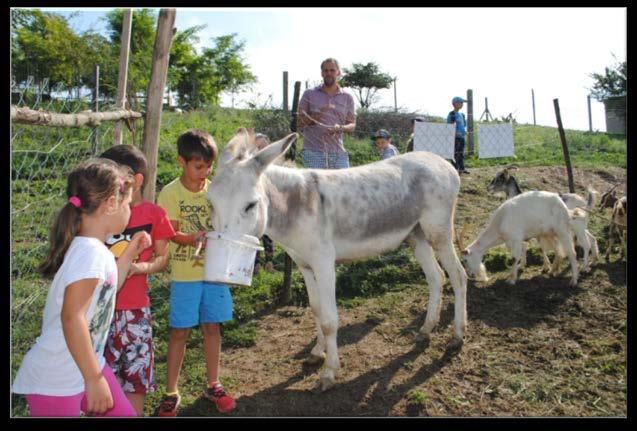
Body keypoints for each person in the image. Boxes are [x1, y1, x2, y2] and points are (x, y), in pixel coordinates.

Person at [11, 158, 151, 417]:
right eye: (127, 204)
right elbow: (71, 316)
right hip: (58, 378)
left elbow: (108, 290)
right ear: (111, 205)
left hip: (85, 364)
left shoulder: (95, 249)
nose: (130, 211)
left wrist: (131, 252)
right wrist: (94, 378)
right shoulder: (90, 255)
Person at [156, 129, 235, 416]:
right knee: (179, 332)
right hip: (186, 275)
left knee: (212, 327)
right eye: (198, 166)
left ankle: (213, 383)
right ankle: (170, 392)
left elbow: (224, 224)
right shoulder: (170, 192)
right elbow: (170, 231)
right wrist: (191, 239)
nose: (204, 173)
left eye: (208, 167)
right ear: (182, 161)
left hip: (214, 273)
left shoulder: (214, 191)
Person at [99, 145, 176, 416]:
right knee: (101, 381)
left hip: (136, 312)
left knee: (136, 379)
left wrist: (142, 267)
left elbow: (164, 258)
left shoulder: (154, 214)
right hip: (100, 313)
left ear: (137, 180)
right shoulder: (102, 213)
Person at [297, 57, 356, 169]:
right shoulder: (309, 94)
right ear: (321, 73)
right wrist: (320, 112)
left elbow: (352, 125)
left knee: (342, 185)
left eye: (332, 70)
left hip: (338, 152)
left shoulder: (347, 97)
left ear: (338, 72)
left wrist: (339, 128)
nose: (329, 73)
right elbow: (300, 123)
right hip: (313, 152)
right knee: (316, 186)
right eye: (326, 70)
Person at [253, 133, 275, 273]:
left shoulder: (272, 164)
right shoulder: (251, 164)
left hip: (269, 204)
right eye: (258, 146)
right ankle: (256, 264)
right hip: (255, 204)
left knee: (268, 235)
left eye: (263, 147)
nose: (260, 150)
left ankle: (269, 262)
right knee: (255, 235)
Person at [447, 96, 470, 174]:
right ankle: (454, 169)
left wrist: (465, 131)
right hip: (455, 138)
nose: (462, 104)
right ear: (454, 104)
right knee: (455, 153)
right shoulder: (452, 114)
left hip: (462, 137)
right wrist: (455, 133)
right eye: (460, 102)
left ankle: (462, 168)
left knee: (461, 153)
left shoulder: (462, 115)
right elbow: (449, 126)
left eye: (462, 103)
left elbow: (464, 125)